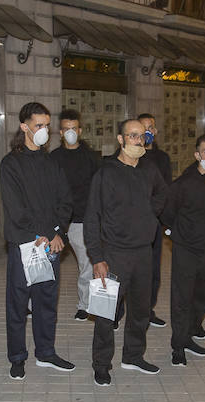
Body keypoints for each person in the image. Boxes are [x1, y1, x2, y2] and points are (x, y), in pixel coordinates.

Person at [84, 118, 169, 386]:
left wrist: (148, 215)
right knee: (106, 313)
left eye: (141, 136)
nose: (137, 140)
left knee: (141, 311)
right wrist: (97, 258)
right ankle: (101, 364)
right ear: (120, 140)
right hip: (113, 254)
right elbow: (91, 217)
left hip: (143, 253)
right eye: (131, 136)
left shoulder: (149, 169)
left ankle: (133, 356)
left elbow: (162, 195)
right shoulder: (106, 173)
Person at [0, 102, 75, 377]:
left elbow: (65, 201)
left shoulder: (51, 162)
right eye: (38, 125)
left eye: (46, 125)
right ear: (24, 127)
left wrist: (59, 233)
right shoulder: (11, 164)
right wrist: (42, 234)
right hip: (25, 245)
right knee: (18, 303)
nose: (44, 130)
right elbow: (17, 208)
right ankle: (17, 357)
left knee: (46, 301)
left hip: (51, 244)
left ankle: (46, 352)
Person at [160, 134, 205, 366]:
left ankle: (189, 334)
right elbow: (167, 212)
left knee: (203, 297)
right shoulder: (183, 183)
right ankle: (178, 346)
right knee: (182, 298)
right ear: (197, 155)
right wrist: (175, 233)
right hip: (186, 250)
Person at [49, 109, 100, 321]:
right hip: (57, 221)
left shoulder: (91, 157)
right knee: (46, 263)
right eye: (66, 129)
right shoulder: (53, 158)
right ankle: (36, 304)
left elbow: (98, 189)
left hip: (81, 219)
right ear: (60, 132)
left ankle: (85, 305)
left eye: (74, 128)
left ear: (80, 130)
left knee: (86, 265)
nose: (70, 132)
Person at [137, 112, 172, 327]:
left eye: (151, 127)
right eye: (143, 127)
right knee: (127, 268)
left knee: (152, 270)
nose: (148, 131)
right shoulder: (128, 155)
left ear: (155, 131)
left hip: (154, 222)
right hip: (130, 223)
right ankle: (119, 310)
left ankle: (148, 309)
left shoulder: (162, 158)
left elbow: (166, 189)